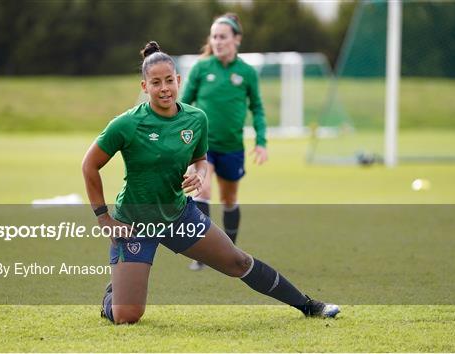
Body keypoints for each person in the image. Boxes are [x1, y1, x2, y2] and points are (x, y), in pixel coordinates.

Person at [82, 41, 339, 325]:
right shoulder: (126, 124)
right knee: (127, 316)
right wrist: (103, 217)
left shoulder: (195, 119)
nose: (164, 88)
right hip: (135, 222)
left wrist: (199, 173)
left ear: (178, 81)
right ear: (145, 86)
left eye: (169, 80)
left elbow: (200, 160)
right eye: (156, 83)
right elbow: (89, 165)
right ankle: (113, 295)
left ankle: (308, 305)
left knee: (238, 262)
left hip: (180, 216)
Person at [181, 13, 266, 271]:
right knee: (202, 191)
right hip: (204, 147)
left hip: (233, 147)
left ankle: (228, 252)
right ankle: (203, 253)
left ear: (236, 39)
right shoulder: (201, 68)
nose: (217, 41)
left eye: (223, 37)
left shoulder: (247, 72)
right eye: (214, 37)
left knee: (229, 199)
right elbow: (183, 106)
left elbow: (258, 109)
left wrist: (261, 141)